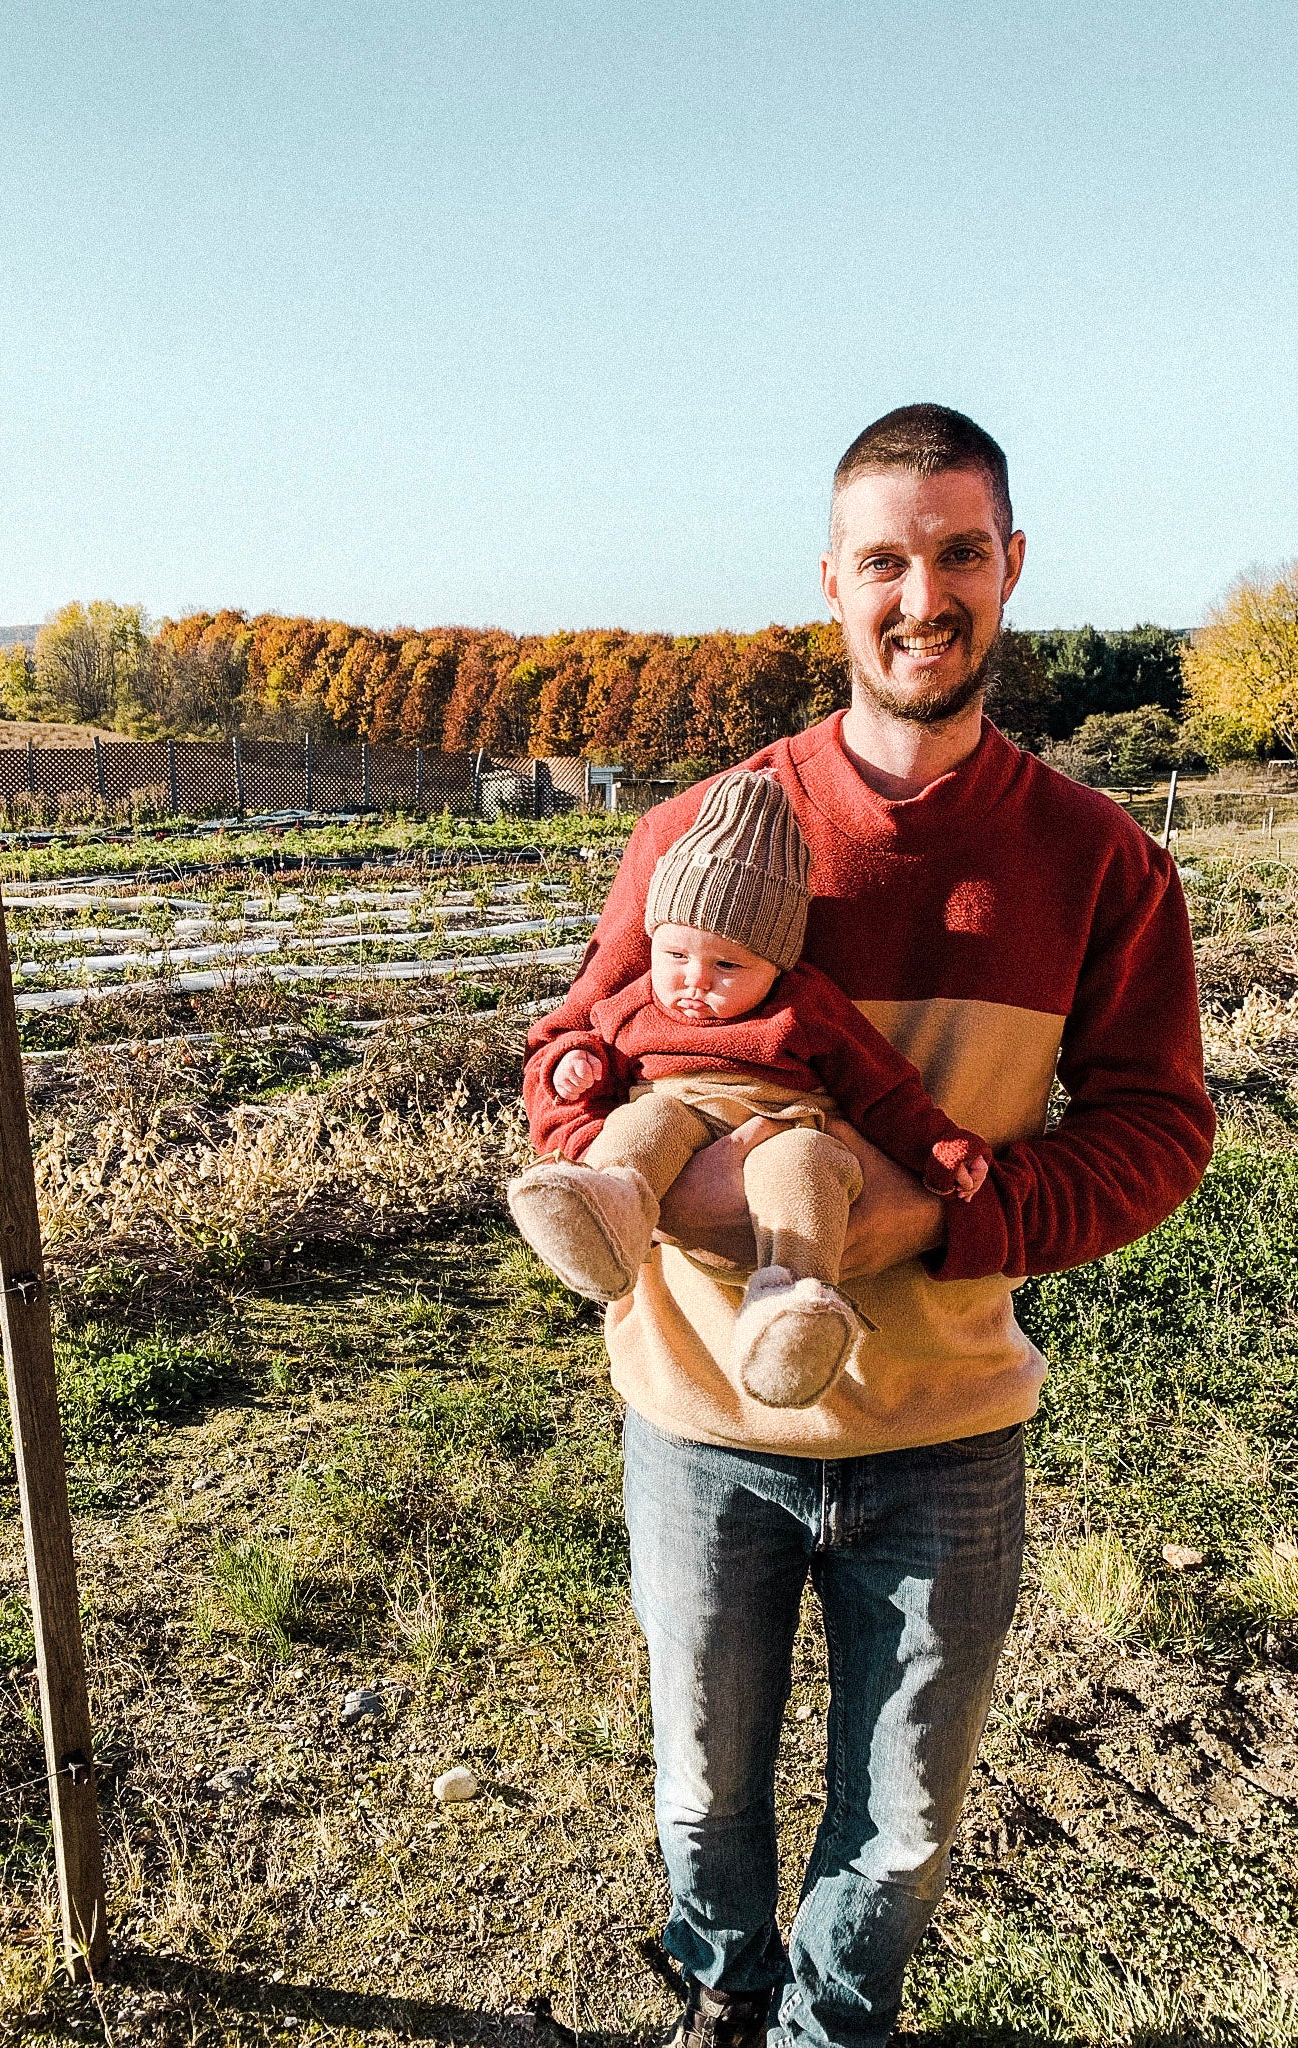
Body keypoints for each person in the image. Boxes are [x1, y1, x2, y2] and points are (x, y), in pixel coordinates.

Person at [521, 404, 1215, 2048]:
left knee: (901, 1820)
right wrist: (704, 1204)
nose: (925, 593)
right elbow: (570, 1084)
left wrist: (930, 1226)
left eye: (959, 553)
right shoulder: (703, 837)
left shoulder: (1098, 863)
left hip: (943, 1428)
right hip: (701, 1423)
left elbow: (1159, 1129)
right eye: (887, 559)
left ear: (1010, 568)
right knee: (704, 1779)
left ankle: (834, 2023)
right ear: (832, 582)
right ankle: (722, 1986)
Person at [508, 767, 991, 1410]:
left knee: (807, 1170)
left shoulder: (805, 1008)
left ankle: (792, 1308)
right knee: (640, 1127)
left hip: (787, 1122)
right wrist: (572, 1065)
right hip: (676, 1104)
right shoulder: (635, 1006)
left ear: (779, 963)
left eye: (727, 965)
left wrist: (938, 1147)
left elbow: (883, 1087)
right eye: (674, 956)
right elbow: (580, 1040)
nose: (693, 982)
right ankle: (607, 1213)